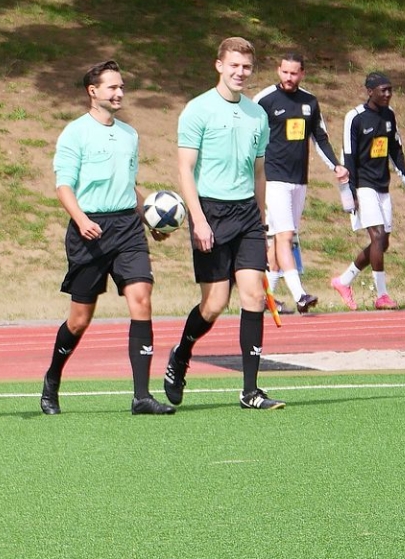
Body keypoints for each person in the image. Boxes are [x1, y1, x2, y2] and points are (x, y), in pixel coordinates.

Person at [40, 61, 173, 416]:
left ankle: (142, 396)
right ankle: (52, 378)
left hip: (127, 228)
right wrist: (81, 219)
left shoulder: (130, 135)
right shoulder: (75, 133)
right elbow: (63, 186)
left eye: (121, 87)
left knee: (141, 299)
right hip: (90, 232)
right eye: (112, 87)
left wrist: (150, 218)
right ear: (93, 91)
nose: (119, 93)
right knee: (79, 320)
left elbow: (129, 186)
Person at [165, 37, 281, 411]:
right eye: (234, 65)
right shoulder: (197, 110)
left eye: (246, 67)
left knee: (254, 297)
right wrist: (198, 220)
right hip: (210, 214)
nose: (240, 72)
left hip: (247, 215)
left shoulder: (257, 115)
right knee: (214, 304)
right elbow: (185, 169)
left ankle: (250, 391)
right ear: (219, 65)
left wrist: (262, 224)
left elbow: (260, 172)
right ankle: (181, 353)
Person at [257, 53, 344, 313]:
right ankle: (300, 295)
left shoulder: (310, 102)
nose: (288, 77)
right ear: (278, 70)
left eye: (294, 73)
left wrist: (336, 165)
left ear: (302, 73)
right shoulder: (264, 100)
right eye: (284, 72)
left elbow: (320, 137)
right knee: (286, 236)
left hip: (299, 180)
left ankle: (266, 299)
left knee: (279, 239)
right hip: (273, 179)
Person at [332, 73, 405, 310]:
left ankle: (343, 281)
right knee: (377, 237)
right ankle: (382, 295)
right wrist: (351, 190)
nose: (387, 94)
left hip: (382, 185)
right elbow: (348, 155)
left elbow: (395, 150)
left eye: (390, 90)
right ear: (370, 91)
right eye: (383, 90)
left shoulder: (389, 115)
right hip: (362, 185)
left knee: (383, 242)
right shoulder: (355, 117)